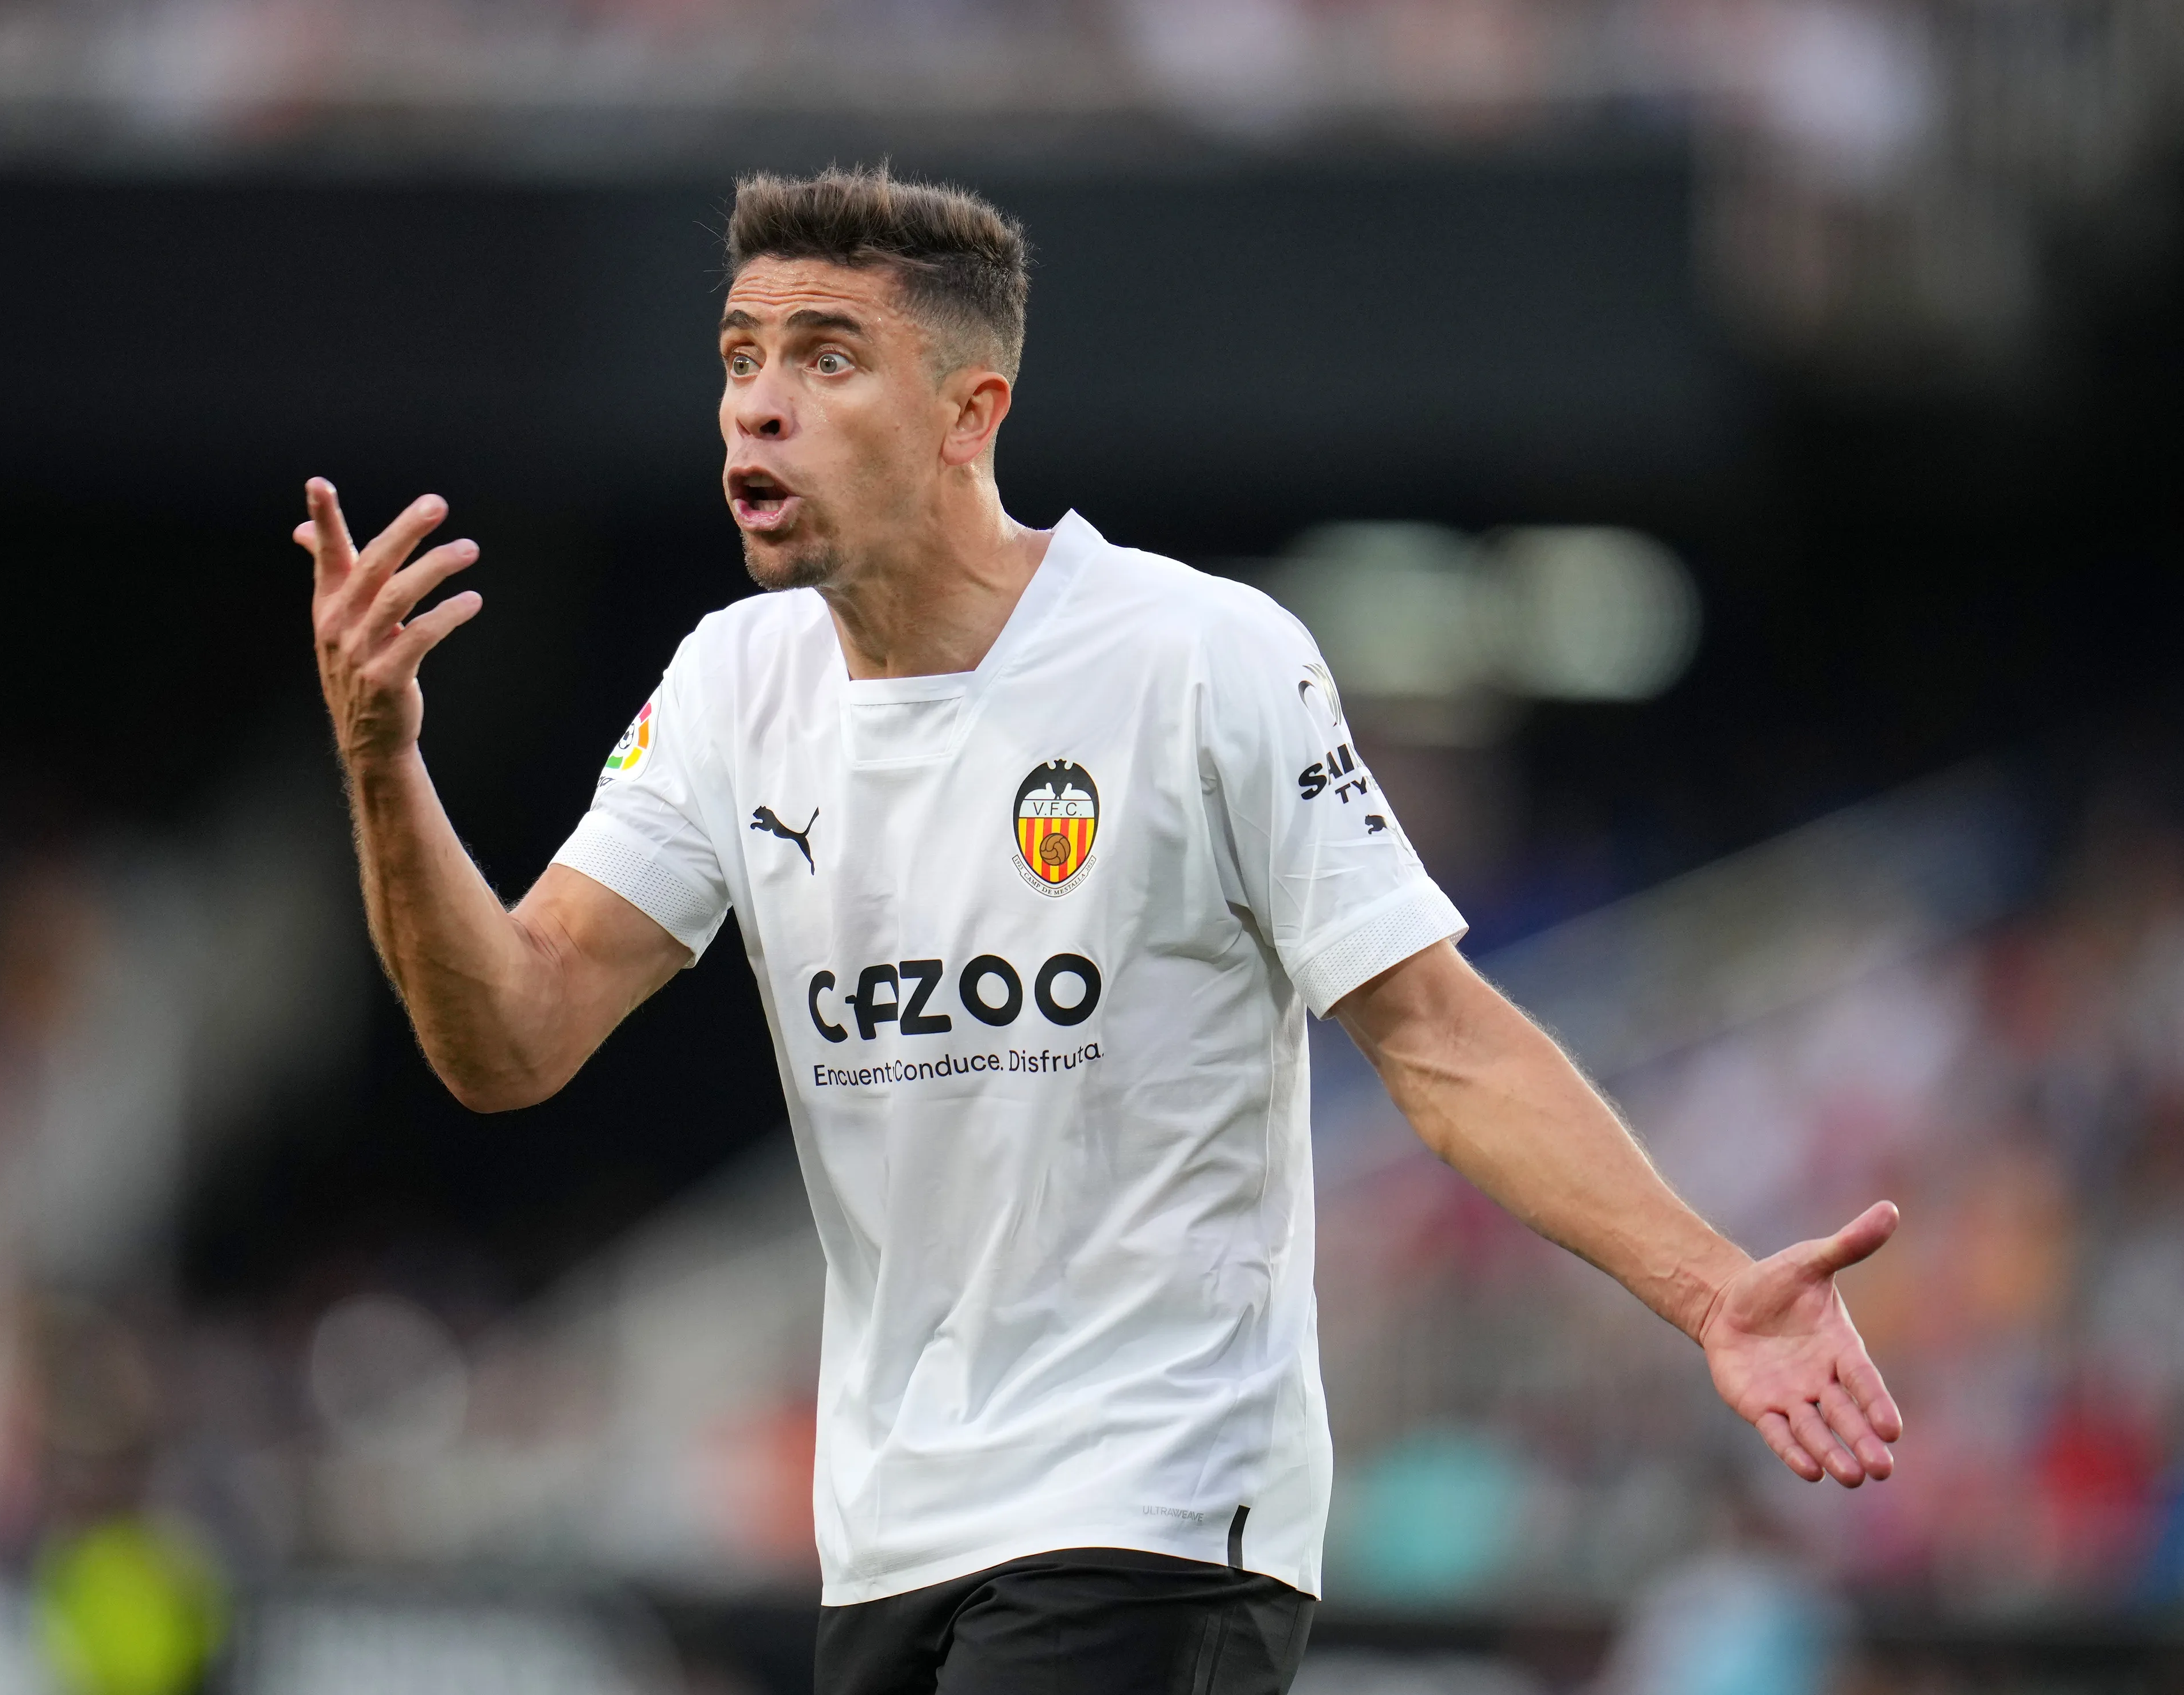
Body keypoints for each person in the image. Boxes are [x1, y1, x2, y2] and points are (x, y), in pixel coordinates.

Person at [298, 165, 1903, 1695]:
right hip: (889, 1522)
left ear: (967, 413)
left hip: (1154, 1497)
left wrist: (1709, 1287)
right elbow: (510, 1035)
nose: (757, 401)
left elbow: (1435, 1035)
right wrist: (386, 768)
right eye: (740, 357)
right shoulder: (732, 687)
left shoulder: (1201, 659)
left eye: (826, 355)